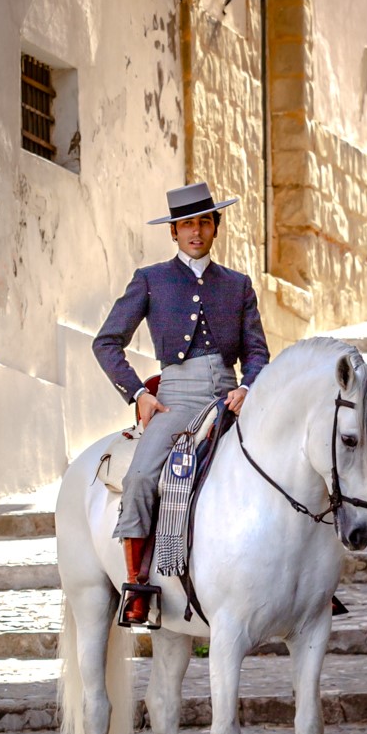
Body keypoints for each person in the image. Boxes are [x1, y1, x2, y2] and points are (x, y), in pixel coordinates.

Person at [92, 181, 270, 626]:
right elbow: (107, 342)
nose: (195, 231)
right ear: (174, 233)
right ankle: (137, 587)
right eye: (186, 224)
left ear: (216, 227)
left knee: (285, 464)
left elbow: (257, 352)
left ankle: (300, 582)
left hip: (229, 397)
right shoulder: (151, 280)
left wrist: (247, 387)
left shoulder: (238, 285)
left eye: (203, 222)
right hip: (174, 400)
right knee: (139, 479)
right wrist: (139, 393)